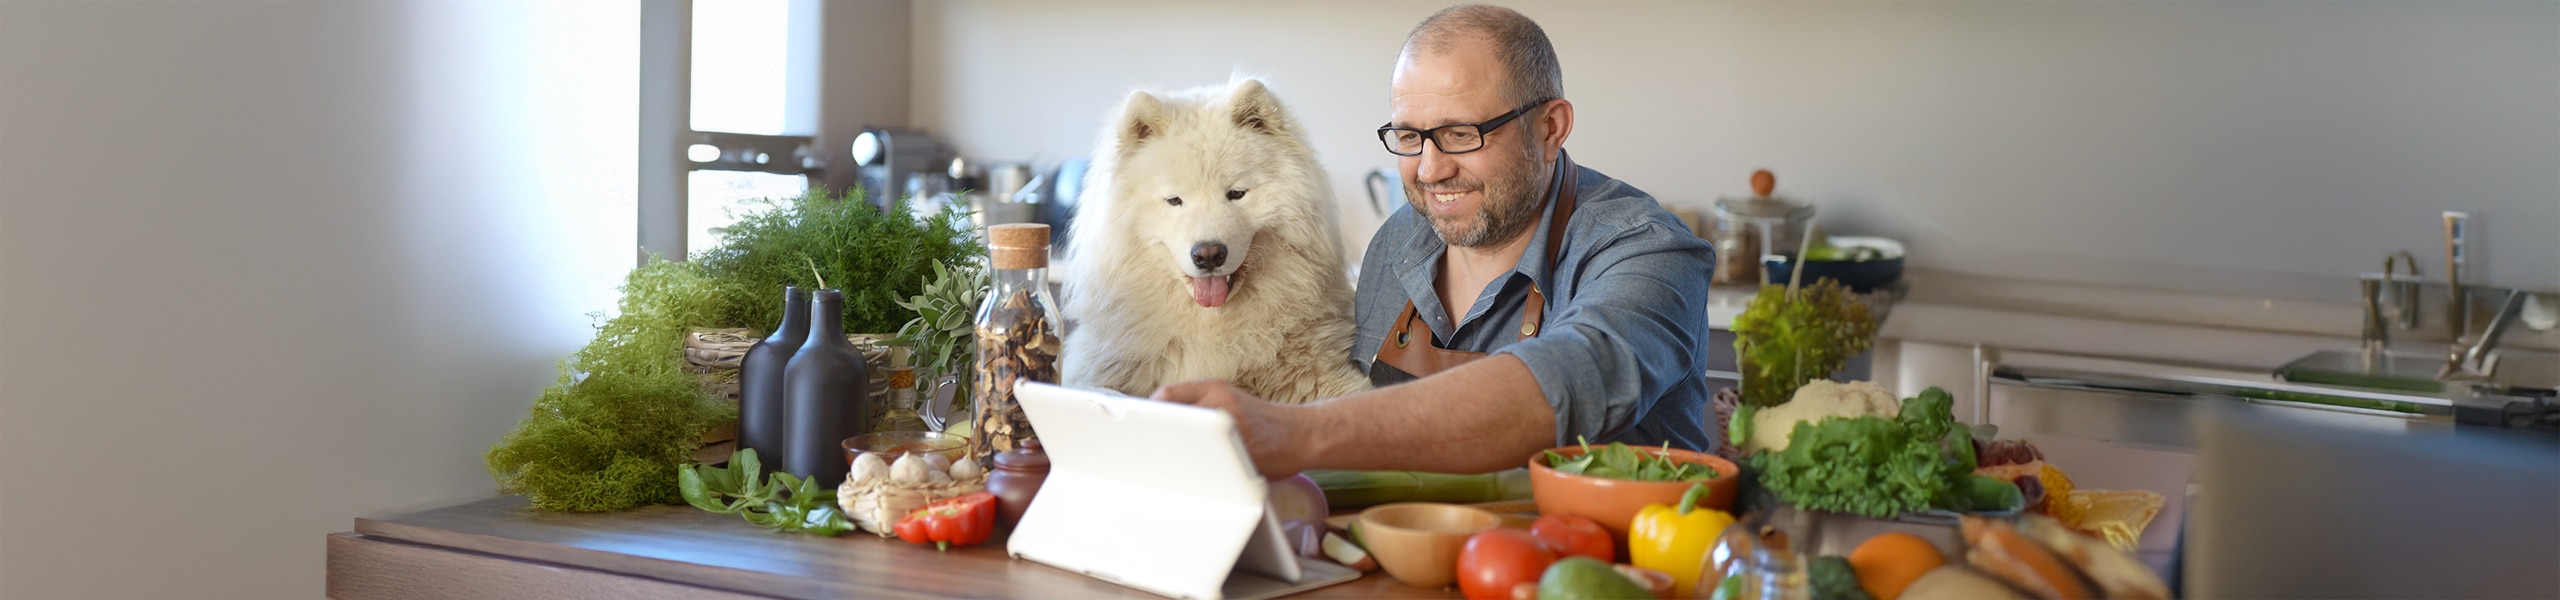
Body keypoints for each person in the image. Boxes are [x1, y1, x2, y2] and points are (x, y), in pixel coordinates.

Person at [1152, 4, 1715, 479]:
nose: (1428, 170)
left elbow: (1570, 379)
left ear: (1550, 129)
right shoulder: (1398, 242)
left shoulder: (1649, 251)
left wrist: (1293, 431)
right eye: (1408, 136)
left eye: (1459, 134)